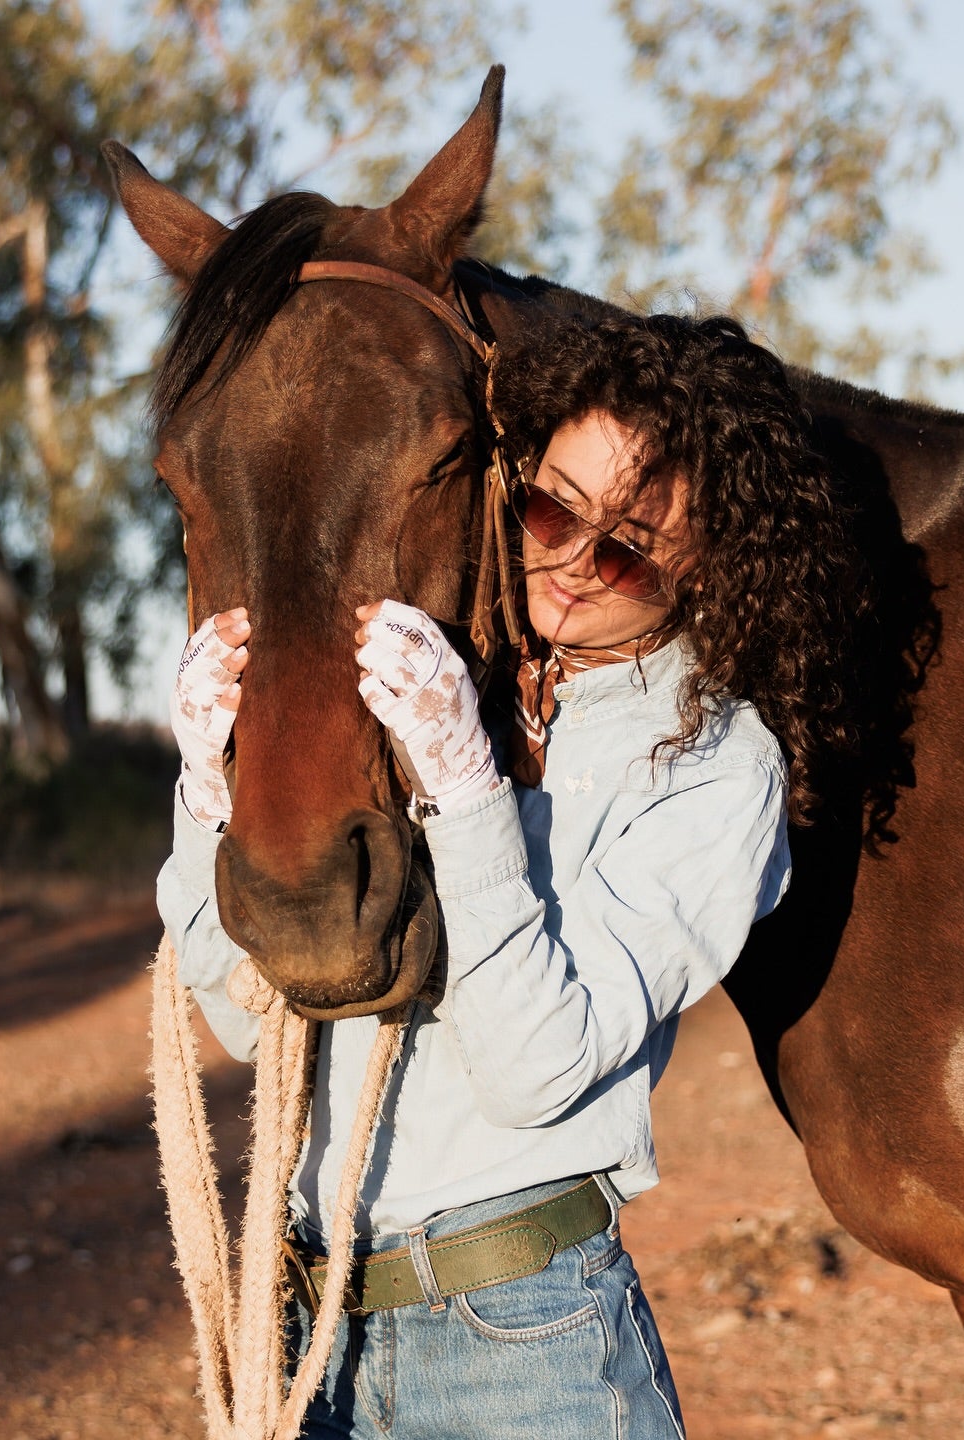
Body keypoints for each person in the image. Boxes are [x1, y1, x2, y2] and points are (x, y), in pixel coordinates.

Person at [158, 311, 862, 1438]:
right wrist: (204, 791)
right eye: (552, 508)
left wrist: (469, 795)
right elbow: (245, 1025)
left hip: (525, 1344)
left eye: (628, 548)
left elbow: (537, 1071)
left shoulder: (721, 770)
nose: (574, 567)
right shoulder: (440, 681)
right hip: (317, 1332)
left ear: (713, 564)